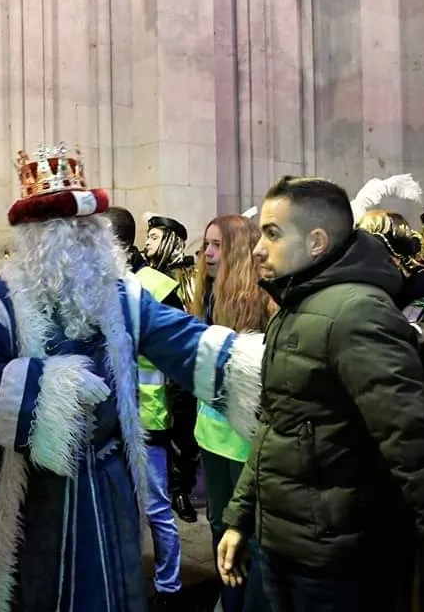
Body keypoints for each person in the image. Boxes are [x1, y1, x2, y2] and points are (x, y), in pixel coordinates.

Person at [0, 144, 267, 612]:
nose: (75, 238)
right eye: (60, 227)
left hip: (109, 475)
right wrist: (51, 388)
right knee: (40, 587)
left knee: (112, 585)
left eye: (84, 225)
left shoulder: (121, 293)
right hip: (37, 486)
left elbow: (179, 339)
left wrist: (254, 364)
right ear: (36, 235)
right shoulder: (3, 301)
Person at [217, 176, 424, 612]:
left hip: (337, 564)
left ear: (316, 242)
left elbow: (417, 451)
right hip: (284, 547)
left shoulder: (356, 314)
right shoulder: (295, 307)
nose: (258, 248)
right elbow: (277, 426)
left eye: (272, 234)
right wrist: (240, 518)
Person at [189, 214, 274, 612]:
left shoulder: (262, 298)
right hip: (211, 432)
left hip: (246, 437)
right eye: (205, 244)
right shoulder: (206, 295)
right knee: (220, 525)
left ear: (237, 250)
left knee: (248, 532)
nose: (206, 253)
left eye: (216, 245)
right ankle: (229, 599)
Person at [106, 206, 184, 609]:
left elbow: (178, 354)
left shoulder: (152, 287)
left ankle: (169, 587)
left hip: (148, 416)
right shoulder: (126, 281)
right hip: (118, 415)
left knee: (155, 508)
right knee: (128, 506)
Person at [142, 212, 201, 521]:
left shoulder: (187, 275)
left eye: (154, 237)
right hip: (153, 373)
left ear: (171, 240)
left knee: (183, 431)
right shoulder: (144, 274)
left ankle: (181, 490)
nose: (147, 243)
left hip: (182, 366)